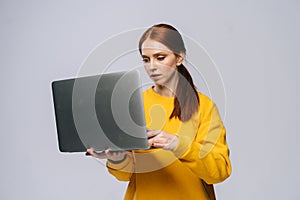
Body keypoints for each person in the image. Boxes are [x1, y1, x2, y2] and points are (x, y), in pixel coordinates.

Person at [86, 23, 232, 200]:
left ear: (179, 58)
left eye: (160, 57)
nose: (152, 66)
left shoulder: (204, 106)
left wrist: (178, 145)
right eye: (146, 60)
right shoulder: (134, 105)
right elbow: (126, 175)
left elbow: (219, 172)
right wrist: (117, 158)